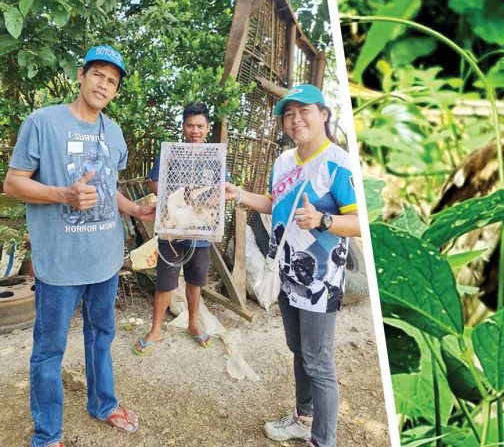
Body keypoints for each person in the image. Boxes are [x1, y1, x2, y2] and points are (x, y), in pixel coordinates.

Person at [3, 45, 156, 447]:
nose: (104, 85)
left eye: (112, 81)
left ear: (117, 90)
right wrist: (63, 195)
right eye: (98, 75)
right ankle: (47, 434)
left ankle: (102, 404)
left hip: (104, 259)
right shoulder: (43, 122)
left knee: (101, 335)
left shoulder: (114, 132)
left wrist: (136, 210)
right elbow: (13, 183)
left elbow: (107, 189)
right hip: (59, 263)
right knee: (49, 349)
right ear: (80, 74)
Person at [229, 84, 361, 447]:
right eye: (289, 114)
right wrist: (238, 195)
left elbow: (361, 222)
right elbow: (275, 204)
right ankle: (303, 418)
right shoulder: (283, 162)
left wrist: (323, 220)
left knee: (318, 362)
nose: (295, 119)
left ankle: (323, 440)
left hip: (322, 281)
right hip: (287, 273)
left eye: (303, 111)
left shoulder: (339, 163)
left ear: (323, 114)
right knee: (298, 350)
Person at [133, 102, 234, 355]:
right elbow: (154, 184)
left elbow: (224, 189)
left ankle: (192, 324)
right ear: (183, 127)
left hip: (200, 228)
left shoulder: (214, 156)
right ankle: (156, 328)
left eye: (200, 126)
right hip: (172, 226)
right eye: (190, 125)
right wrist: (176, 192)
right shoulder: (170, 153)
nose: (195, 130)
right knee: (165, 281)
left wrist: (205, 199)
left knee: (195, 281)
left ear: (207, 128)